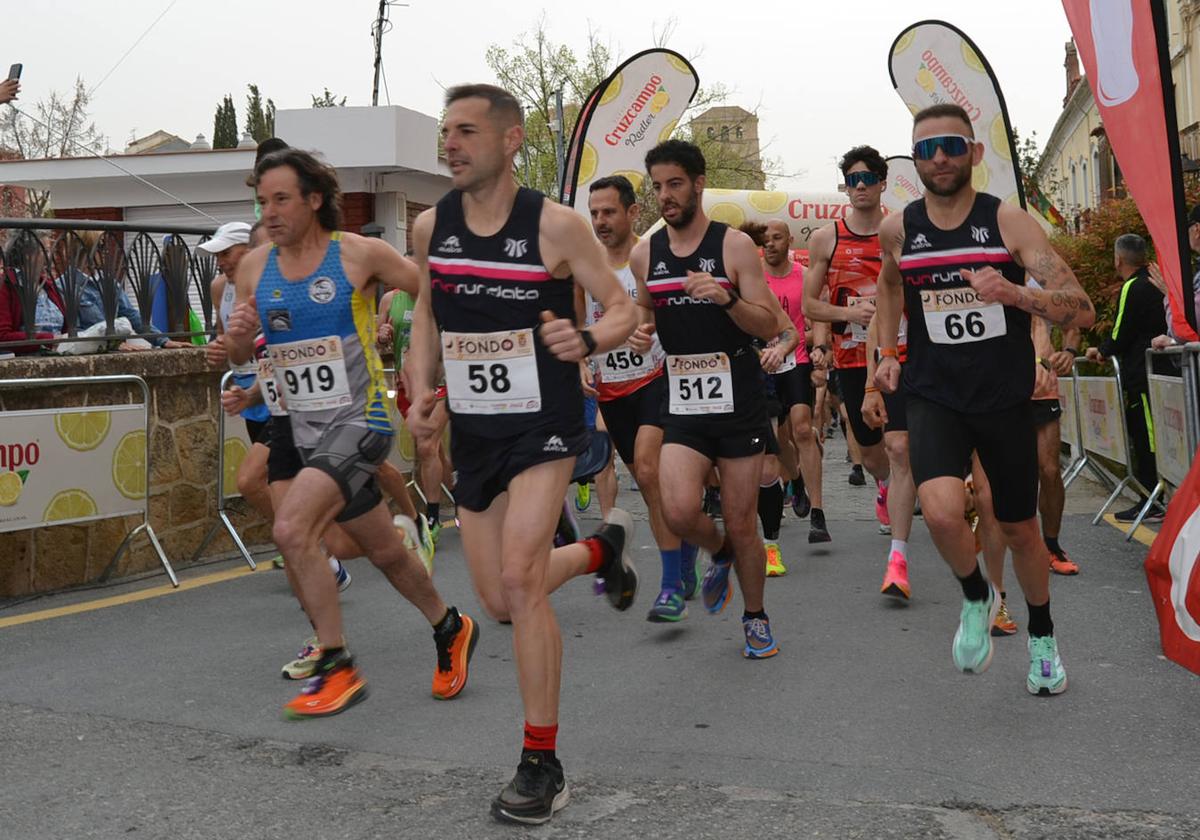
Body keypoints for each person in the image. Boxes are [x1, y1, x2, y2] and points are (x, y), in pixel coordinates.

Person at [403, 84, 639, 825]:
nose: (450, 144)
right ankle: (602, 552)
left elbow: (625, 306)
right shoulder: (428, 227)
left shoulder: (558, 227)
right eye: (446, 131)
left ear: (510, 140)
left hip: (545, 426)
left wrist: (591, 339)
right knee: (500, 601)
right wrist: (420, 395)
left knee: (520, 577)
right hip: (475, 432)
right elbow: (426, 319)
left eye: (466, 131)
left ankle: (543, 762)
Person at [225, 147, 477, 720]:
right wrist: (239, 337)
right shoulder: (254, 268)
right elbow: (245, 351)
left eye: (282, 199)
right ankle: (450, 625)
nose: (270, 212)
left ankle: (335, 663)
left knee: (291, 528)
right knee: (383, 549)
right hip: (299, 426)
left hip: (359, 421)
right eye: (263, 201)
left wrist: (435, 365)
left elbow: (435, 297)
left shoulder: (360, 254)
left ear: (315, 199)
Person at [874, 103, 1095, 696]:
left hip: (1001, 397)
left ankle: (1043, 638)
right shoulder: (899, 229)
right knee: (942, 510)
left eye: (950, 145)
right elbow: (890, 285)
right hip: (933, 393)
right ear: (914, 158)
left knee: (1019, 527)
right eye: (926, 148)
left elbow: (1081, 306)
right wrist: (886, 358)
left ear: (973, 153)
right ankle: (977, 593)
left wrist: (1015, 295)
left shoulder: (1009, 224)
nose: (938, 157)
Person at [631, 138, 796, 661]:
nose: (666, 196)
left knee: (742, 519)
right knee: (678, 509)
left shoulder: (733, 248)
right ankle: (718, 550)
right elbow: (644, 316)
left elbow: (769, 323)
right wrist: (640, 334)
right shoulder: (645, 255)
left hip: (737, 398)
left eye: (675, 184)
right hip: (682, 397)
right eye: (658, 186)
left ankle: (755, 617)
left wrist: (726, 298)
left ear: (698, 184)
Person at [583, 174, 699, 620]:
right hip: (612, 391)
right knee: (653, 487)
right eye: (594, 213)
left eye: (609, 211)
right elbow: (581, 321)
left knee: (649, 473)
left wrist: (649, 330)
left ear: (633, 213)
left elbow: (673, 313)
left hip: (657, 378)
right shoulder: (586, 265)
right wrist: (580, 363)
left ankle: (669, 586)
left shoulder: (652, 257)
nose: (600, 221)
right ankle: (684, 544)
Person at [805, 145, 917, 595]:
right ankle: (885, 486)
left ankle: (899, 551)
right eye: (854, 178)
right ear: (845, 185)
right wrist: (850, 316)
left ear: (883, 182)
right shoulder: (825, 239)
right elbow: (810, 304)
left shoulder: (902, 230)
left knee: (898, 444)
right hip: (852, 355)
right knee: (871, 450)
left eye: (870, 177)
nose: (862, 185)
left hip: (901, 352)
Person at [202, 222, 279, 559]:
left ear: (247, 251)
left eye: (226, 253)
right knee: (274, 479)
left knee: (254, 479)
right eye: (217, 255)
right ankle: (302, 543)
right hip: (248, 388)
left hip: (279, 389)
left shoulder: (271, 283)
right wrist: (219, 347)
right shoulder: (219, 287)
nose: (221, 261)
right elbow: (225, 336)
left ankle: (302, 543)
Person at [1085, 233, 1165, 521]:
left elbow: (1120, 332)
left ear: (1118, 259)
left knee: (1147, 438)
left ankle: (1152, 500)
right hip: (1157, 372)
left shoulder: (1133, 286)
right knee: (1155, 436)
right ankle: (1155, 497)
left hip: (1141, 375)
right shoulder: (1154, 282)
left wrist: (1102, 350)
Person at [760, 220, 829, 545]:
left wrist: (820, 349)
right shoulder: (753, 276)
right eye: (765, 240)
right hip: (763, 362)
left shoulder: (803, 276)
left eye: (776, 238)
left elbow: (819, 316)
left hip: (796, 358)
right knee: (778, 437)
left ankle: (817, 512)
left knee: (802, 428)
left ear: (789, 240)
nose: (770, 244)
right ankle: (796, 480)